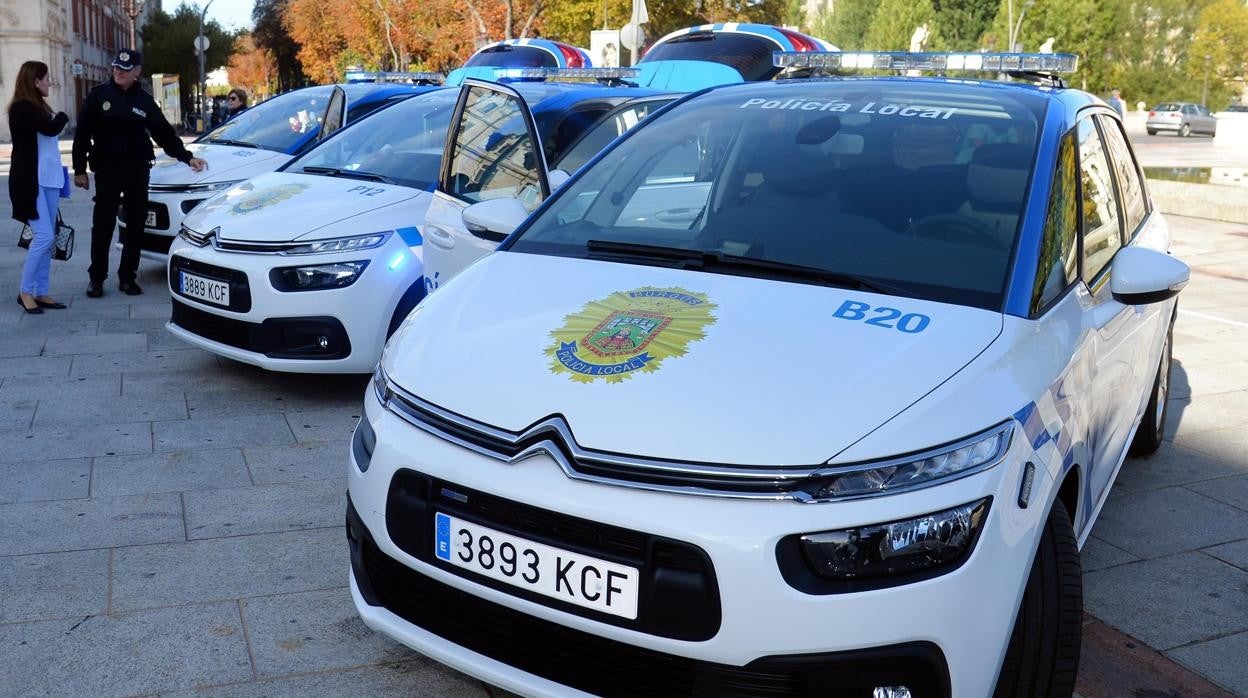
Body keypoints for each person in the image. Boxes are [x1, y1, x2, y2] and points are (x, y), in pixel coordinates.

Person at [71, 48, 207, 297]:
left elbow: (164, 134)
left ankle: (127, 277)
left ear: (137, 72)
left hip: (136, 170)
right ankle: (97, 278)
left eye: (124, 69)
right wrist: (79, 169)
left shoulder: (144, 101)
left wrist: (187, 157)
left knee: (135, 224)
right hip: (107, 170)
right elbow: (81, 135)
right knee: (102, 224)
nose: (118, 72)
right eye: (116, 68)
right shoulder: (97, 96)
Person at [7, 61, 70, 314]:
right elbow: (50, 128)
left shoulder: (39, 106)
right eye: (45, 79)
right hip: (30, 182)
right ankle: (25, 292)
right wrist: (64, 116)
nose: (49, 83)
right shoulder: (22, 108)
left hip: (50, 179)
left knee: (49, 237)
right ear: (35, 82)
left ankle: (41, 291)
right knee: (43, 236)